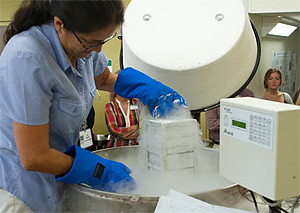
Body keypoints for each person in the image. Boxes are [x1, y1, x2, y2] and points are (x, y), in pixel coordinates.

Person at [0, 0, 187, 212]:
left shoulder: (83, 45)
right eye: (90, 43)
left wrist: (146, 88)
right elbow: (34, 156)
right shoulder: (27, 57)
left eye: (104, 40)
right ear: (60, 24)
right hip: (23, 192)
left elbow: (103, 78)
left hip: (59, 180)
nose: (97, 49)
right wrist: (98, 170)